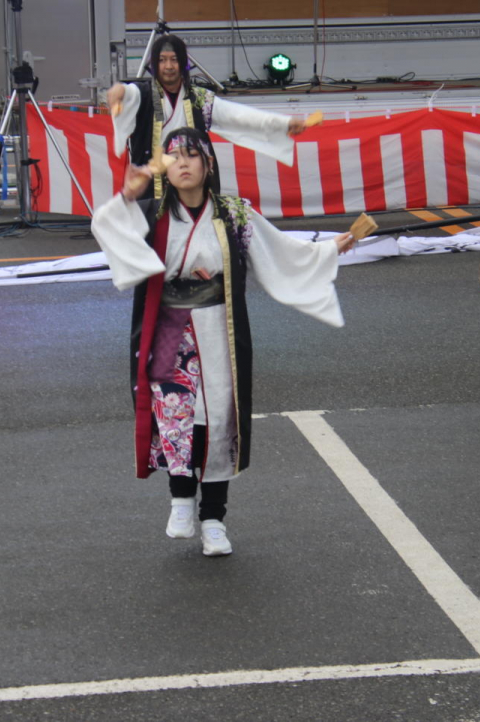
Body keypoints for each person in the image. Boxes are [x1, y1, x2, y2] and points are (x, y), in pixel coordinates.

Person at [91, 127, 355, 556]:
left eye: (192, 155)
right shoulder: (153, 212)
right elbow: (106, 227)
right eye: (173, 156)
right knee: (175, 415)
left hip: (219, 325)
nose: (183, 163)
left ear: (208, 163)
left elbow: (281, 249)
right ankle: (181, 500)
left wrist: (326, 250)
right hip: (170, 327)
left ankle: (214, 518)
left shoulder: (234, 213)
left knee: (218, 421)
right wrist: (124, 197)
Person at [106, 33, 308, 198]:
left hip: (192, 178)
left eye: (174, 60)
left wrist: (284, 123)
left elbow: (239, 116)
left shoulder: (200, 98)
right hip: (154, 182)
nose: (168, 66)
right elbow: (127, 92)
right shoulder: (144, 94)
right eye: (162, 60)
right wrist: (119, 91)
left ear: (183, 63)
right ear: (154, 65)